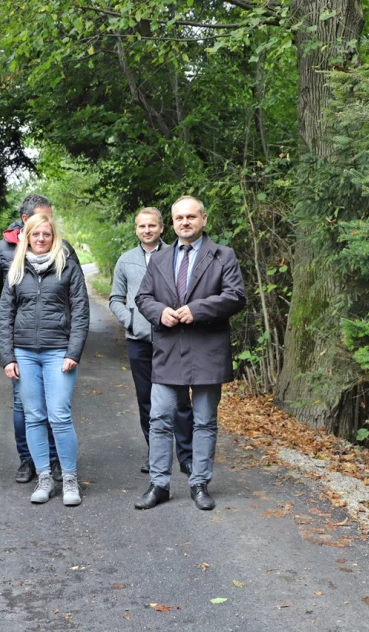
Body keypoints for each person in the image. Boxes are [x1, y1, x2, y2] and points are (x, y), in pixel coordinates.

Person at [134, 196, 246, 511]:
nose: (185, 222)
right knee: (159, 420)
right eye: (179, 218)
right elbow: (143, 296)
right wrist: (159, 312)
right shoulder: (158, 259)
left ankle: (199, 483)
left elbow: (236, 296)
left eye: (191, 217)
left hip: (208, 350)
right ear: (172, 223)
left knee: (205, 421)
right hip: (168, 351)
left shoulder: (223, 255)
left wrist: (196, 310)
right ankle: (159, 485)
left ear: (203, 219)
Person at [0, 214, 90, 506]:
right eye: (35, 234)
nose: (40, 239)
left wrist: (73, 352)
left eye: (46, 234)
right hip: (24, 353)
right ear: (26, 237)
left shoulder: (68, 267)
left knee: (59, 416)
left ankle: (70, 479)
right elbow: (5, 316)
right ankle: (44, 477)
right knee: (34, 417)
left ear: (54, 237)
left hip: (58, 353)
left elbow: (81, 311)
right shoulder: (16, 270)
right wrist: (7, 357)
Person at [0, 194, 77, 483]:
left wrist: (71, 345)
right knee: (26, 409)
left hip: (54, 344)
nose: (43, 232)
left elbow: (77, 304)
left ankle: (57, 461)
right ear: (26, 222)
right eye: (39, 223)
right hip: (22, 345)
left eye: (48, 225)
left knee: (57, 410)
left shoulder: (64, 252)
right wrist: (9, 340)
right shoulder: (3, 251)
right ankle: (30, 461)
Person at [109, 207, 194, 475]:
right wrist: (132, 321)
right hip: (139, 342)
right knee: (146, 400)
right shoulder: (125, 260)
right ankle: (155, 453)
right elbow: (115, 299)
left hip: (172, 339)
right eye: (141, 226)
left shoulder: (175, 255)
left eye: (152, 226)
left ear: (161, 228)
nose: (147, 230)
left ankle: (186, 455)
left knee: (181, 400)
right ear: (136, 229)